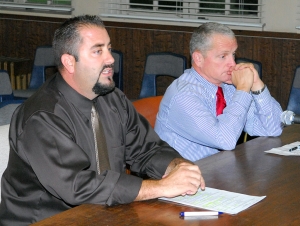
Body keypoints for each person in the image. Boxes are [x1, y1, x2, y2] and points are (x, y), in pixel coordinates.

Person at [0, 15, 205, 225]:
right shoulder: (43, 116)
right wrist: (161, 188)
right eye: (98, 51)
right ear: (69, 62)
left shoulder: (113, 99)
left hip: (104, 214)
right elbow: (77, 186)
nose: (110, 59)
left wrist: (178, 167)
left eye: (108, 48)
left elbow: (148, 149)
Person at [154, 22, 283, 162]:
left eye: (233, 55)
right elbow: (225, 140)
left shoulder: (229, 87)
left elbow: (273, 128)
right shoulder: (184, 95)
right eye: (223, 56)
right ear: (198, 58)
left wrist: (257, 85)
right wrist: (243, 90)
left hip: (219, 171)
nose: (233, 64)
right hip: (182, 179)